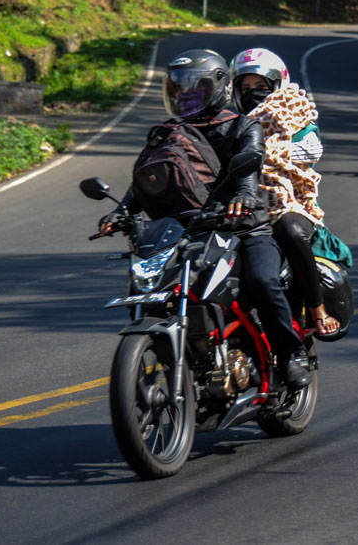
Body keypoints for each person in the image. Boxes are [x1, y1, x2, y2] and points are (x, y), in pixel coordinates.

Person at [98, 49, 312, 390]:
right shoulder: (166, 133)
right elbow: (146, 180)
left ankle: (290, 354)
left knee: (261, 281)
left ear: (219, 88)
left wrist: (243, 195)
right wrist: (122, 210)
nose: (185, 96)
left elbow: (250, 161)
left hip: (243, 228)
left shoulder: (244, 125)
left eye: (195, 87)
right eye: (179, 88)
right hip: (187, 231)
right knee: (151, 285)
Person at [229, 47, 342, 340]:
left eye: (261, 86)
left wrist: (261, 149)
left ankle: (317, 309)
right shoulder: (228, 121)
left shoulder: (296, 115)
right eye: (246, 87)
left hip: (289, 203)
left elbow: (310, 150)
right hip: (241, 205)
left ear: (277, 85)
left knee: (290, 230)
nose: (253, 93)